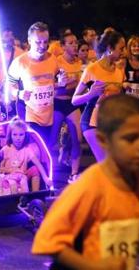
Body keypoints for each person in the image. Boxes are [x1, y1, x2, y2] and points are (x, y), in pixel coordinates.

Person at [32, 94, 139, 270]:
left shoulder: (137, 181)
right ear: (103, 140)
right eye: (131, 138)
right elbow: (48, 241)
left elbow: (125, 231)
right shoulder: (89, 186)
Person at [72, 30, 126, 162]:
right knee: (106, 164)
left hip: (110, 123)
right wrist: (91, 94)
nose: (124, 52)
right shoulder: (92, 70)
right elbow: (74, 100)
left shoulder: (119, 71)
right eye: (121, 48)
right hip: (92, 121)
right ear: (110, 48)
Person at [8, 22, 61, 142]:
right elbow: (9, 86)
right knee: (33, 152)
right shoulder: (20, 62)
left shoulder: (53, 59)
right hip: (29, 115)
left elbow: (57, 82)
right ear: (29, 41)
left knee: (47, 152)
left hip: (49, 115)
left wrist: (62, 82)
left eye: (45, 41)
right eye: (38, 42)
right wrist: (19, 93)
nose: (42, 45)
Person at [51, 32, 83, 182]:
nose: (75, 45)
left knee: (78, 138)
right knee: (51, 140)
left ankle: (74, 173)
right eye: (70, 43)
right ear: (63, 46)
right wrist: (67, 84)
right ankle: (48, 171)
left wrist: (73, 84)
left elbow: (81, 85)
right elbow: (52, 86)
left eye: (76, 42)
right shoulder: (56, 62)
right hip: (57, 103)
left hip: (72, 103)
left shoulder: (79, 63)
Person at [0, 119, 50, 194]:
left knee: (35, 169)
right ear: (10, 135)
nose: (18, 138)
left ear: (25, 135)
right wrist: (11, 170)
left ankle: (34, 195)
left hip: (23, 176)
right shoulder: (5, 149)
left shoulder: (27, 150)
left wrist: (46, 178)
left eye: (21, 134)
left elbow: (39, 165)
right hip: (9, 178)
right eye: (15, 135)